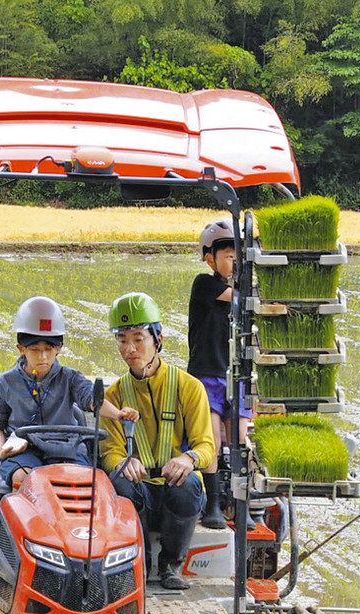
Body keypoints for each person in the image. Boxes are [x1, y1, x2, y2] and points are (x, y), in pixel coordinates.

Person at [100, 292, 215, 590]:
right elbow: (109, 450)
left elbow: (206, 446)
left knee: (188, 484)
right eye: (122, 340)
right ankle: (140, 564)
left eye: (138, 338)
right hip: (140, 491)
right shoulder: (113, 396)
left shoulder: (189, 387)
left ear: (158, 338)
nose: (130, 348)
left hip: (174, 488)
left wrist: (188, 459)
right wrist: (123, 462)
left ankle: (171, 565)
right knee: (119, 483)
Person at [0, 296, 137, 490]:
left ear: (59, 349)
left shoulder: (71, 378)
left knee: (79, 483)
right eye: (35, 349)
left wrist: (118, 414)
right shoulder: (4, 383)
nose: (43, 356)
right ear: (21, 349)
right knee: (26, 481)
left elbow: (92, 399)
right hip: (24, 450)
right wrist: (2, 450)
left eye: (48, 349)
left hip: (68, 449)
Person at [188, 218, 255, 529]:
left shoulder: (245, 290)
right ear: (210, 259)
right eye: (228, 255)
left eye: (237, 255)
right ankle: (212, 505)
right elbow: (240, 301)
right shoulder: (206, 285)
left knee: (242, 437)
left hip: (237, 376)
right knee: (212, 439)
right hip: (207, 375)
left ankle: (245, 505)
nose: (233, 260)